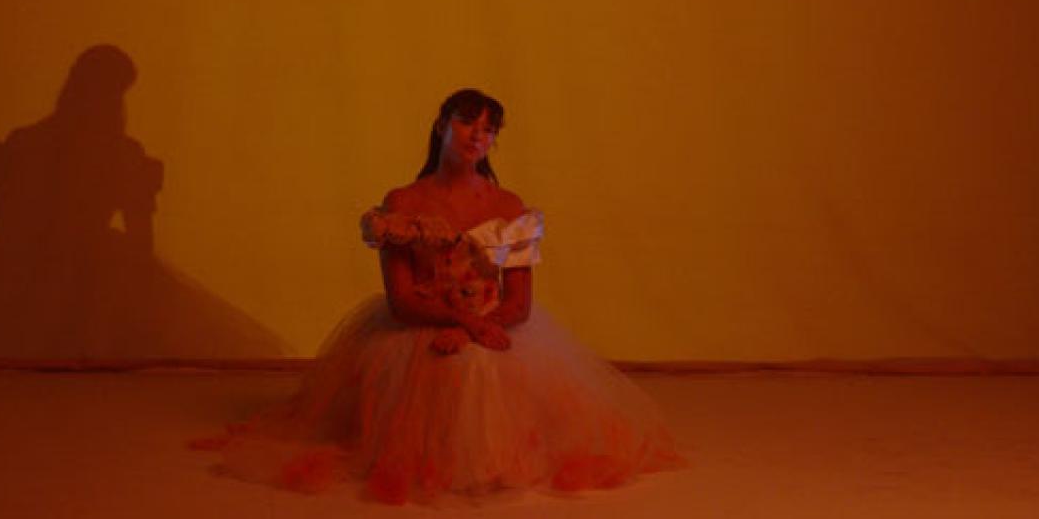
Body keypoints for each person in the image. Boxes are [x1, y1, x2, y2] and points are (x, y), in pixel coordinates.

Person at [194, 89, 680, 503]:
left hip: (492, 324)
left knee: (481, 366)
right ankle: (446, 459)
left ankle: (493, 462)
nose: (477, 135)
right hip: (419, 324)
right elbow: (402, 301)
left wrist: (475, 330)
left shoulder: (507, 206)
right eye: (467, 122)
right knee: (450, 367)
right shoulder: (404, 204)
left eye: (489, 130)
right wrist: (461, 324)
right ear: (442, 125)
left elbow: (519, 304)